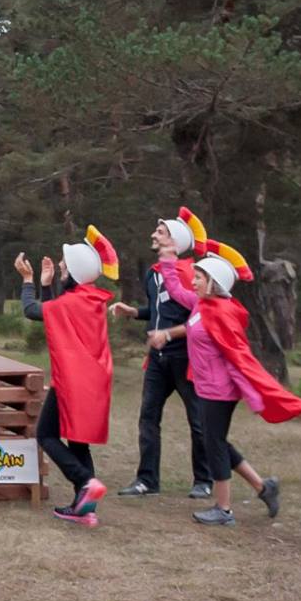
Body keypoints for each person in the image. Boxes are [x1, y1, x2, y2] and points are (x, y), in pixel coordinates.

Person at [154, 234, 301, 527]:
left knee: (214, 445)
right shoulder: (201, 306)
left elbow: (239, 355)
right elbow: (174, 290)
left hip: (218, 391)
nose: (194, 281)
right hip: (205, 387)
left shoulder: (221, 313)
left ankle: (223, 510)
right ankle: (264, 487)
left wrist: (257, 389)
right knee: (218, 442)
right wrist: (168, 259)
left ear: (214, 283)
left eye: (198, 277)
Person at [16, 227, 121, 527]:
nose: (60, 266)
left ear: (74, 271)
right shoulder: (88, 299)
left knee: (45, 434)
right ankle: (84, 507)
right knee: (77, 442)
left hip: (73, 381)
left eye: (64, 265)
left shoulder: (73, 302)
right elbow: (55, 313)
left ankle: (85, 481)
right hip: (91, 381)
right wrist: (47, 285)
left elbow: (33, 310)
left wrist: (28, 281)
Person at [115, 211, 214, 499]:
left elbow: (200, 318)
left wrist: (170, 334)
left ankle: (204, 480)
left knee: (197, 420)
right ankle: (147, 480)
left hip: (186, 358)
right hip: (157, 359)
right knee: (148, 417)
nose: (153, 235)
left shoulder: (189, 274)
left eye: (160, 232)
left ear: (175, 241)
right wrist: (135, 312)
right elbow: (159, 311)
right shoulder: (153, 273)